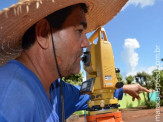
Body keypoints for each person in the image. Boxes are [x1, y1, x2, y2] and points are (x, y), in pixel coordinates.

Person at [0, 0, 150, 122]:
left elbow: (85, 93)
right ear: (43, 33)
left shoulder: (54, 90)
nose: (86, 44)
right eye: (79, 31)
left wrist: (124, 88)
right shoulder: (9, 98)